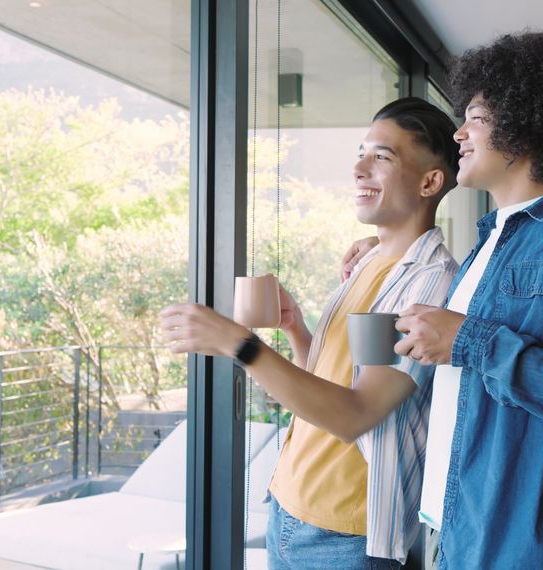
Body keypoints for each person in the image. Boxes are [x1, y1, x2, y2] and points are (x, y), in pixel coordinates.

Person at [343, 31, 543, 569]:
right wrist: (379, 254)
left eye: (476, 117)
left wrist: (471, 341)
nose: (459, 134)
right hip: (461, 535)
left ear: (529, 122)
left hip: (541, 552)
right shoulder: (487, 243)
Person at [159, 97, 461, 568]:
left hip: (344, 535)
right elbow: (340, 388)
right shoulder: (369, 261)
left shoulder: (429, 284)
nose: (359, 168)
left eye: (382, 156)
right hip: (289, 507)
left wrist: (240, 345)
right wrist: (297, 330)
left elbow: (355, 415)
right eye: (361, 152)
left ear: (430, 181)